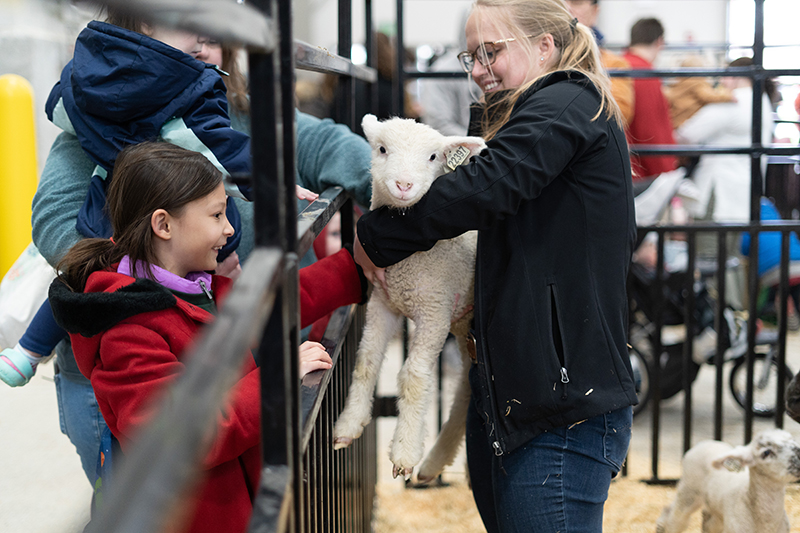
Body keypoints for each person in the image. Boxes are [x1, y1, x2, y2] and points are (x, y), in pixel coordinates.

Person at [23, 35, 373, 485]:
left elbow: (263, 302)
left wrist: (367, 253)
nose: (200, 47)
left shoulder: (206, 283)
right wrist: (164, 274)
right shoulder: (102, 121)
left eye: (213, 36)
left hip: (222, 366)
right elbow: (55, 221)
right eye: (185, 28)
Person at [355, 1, 636, 531]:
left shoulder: (566, 101)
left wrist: (375, 235)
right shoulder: (521, 110)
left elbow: (485, 187)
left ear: (544, 47)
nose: (479, 67)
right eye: (471, 56)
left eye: (492, 52)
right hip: (516, 385)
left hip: (562, 399)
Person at [48, 142, 365, 533]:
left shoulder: (189, 286)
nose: (229, 229)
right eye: (217, 215)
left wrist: (356, 268)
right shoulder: (127, 329)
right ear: (163, 225)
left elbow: (267, 307)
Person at [1, 12, 328, 388]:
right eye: (195, 29)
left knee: (88, 275)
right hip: (149, 272)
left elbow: (58, 106)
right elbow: (212, 145)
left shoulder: (91, 75)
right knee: (102, 269)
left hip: (109, 208)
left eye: (214, 38)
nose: (204, 48)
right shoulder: (184, 89)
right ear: (147, 22)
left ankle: (27, 351)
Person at [675, 56, 775, 223]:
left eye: (725, 75)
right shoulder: (762, 101)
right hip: (746, 191)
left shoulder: (732, 101)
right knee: (730, 245)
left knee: (707, 247)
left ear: (736, 76)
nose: (721, 81)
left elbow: (686, 134)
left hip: (719, 191)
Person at [623, 17, 678, 181]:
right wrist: (668, 175)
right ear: (659, 42)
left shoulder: (619, 66)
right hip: (643, 175)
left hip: (625, 168)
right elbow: (650, 131)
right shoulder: (645, 74)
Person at [564, 0, 634, 126]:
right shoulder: (540, 56)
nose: (566, 8)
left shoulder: (614, 64)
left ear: (594, 11)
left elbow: (619, 115)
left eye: (576, 3)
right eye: (560, 2)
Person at [664, 55, 734, 129]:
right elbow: (709, 97)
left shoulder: (680, 84)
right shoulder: (697, 83)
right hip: (686, 124)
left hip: (675, 122)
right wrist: (728, 96)